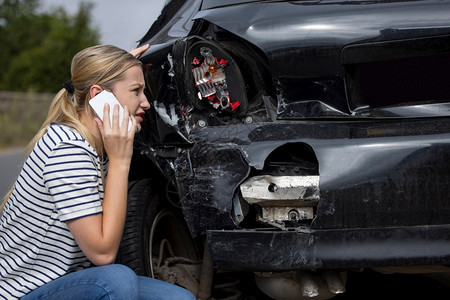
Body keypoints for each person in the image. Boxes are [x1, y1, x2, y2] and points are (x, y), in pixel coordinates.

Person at [0, 44, 196, 300]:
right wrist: (119, 162)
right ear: (100, 97)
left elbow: (101, 83)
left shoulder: (88, 142)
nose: (146, 103)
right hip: (22, 293)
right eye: (136, 91)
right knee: (115, 280)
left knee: (179, 299)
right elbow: (103, 254)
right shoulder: (67, 151)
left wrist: (119, 67)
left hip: (66, 281)